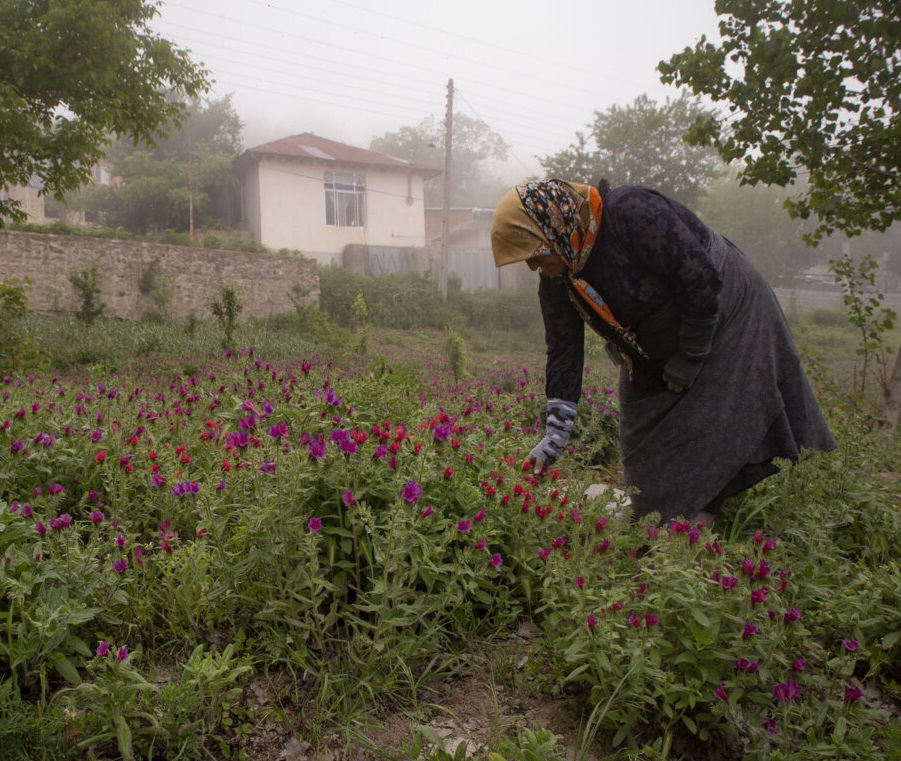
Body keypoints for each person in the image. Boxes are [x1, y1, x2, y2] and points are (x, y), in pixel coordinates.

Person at [490, 179, 836, 523]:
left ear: (555, 228)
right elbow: (564, 351)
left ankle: (695, 526)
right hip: (648, 347)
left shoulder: (630, 212)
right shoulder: (559, 277)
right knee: (644, 443)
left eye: (535, 254)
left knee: (716, 417)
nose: (533, 267)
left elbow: (699, 278)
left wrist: (690, 357)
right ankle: (669, 522)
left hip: (723, 315)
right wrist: (554, 435)